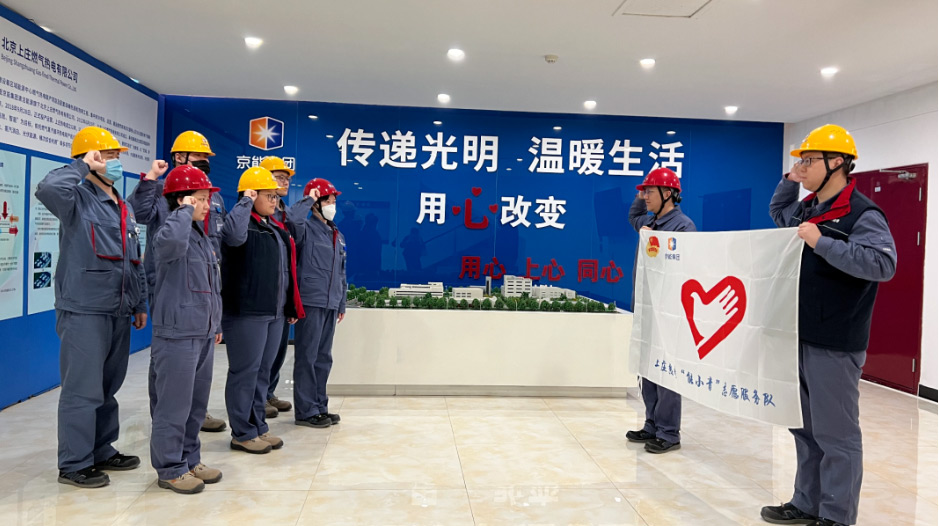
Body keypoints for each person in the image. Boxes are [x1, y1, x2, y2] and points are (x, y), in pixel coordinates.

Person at [761, 125, 896, 526]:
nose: (802, 167)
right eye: (800, 161)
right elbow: (779, 214)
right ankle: (807, 504)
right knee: (804, 429)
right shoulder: (807, 209)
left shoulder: (862, 213)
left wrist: (822, 242)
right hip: (799, 334)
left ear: (837, 163)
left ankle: (837, 516)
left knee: (837, 434)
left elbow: (882, 264)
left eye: (809, 161)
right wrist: (790, 181)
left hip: (835, 341)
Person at [35, 126, 148, 488]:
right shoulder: (76, 198)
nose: (114, 162)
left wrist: (140, 301)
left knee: (107, 387)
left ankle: (101, 450)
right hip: (84, 308)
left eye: (115, 156)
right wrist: (82, 166)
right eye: (107, 155)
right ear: (89, 158)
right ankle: (74, 463)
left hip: (119, 309)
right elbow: (47, 188)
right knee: (82, 389)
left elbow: (133, 259)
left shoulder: (122, 205)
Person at [128, 130, 228, 433]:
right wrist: (150, 180)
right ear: (179, 157)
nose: (204, 161)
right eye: (198, 155)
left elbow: (217, 239)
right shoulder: (165, 192)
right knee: (172, 355)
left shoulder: (212, 196)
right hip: (171, 282)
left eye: (206, 157)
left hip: (204, 282)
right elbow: (139, 214)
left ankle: (196, 413)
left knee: (198, 363)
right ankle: (166, 415)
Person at [148, 165, 224, 494]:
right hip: (177, 334)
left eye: (207, 199)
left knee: (195, 405)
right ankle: (170, 468)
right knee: (173, 406)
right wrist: (182, 212)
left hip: (202, 332)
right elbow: (169, 247)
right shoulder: (169, 229)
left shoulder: (200, 236)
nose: (207, 205)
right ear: (182, 200)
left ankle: (190, 460)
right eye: (201, 199)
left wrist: (215, 324)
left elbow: (211, 285)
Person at [221, 167, 304, 453]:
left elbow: (286, 272)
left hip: (274, 312)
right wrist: (245, 201)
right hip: (247, 311)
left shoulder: (274, 228)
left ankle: (258, 426)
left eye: (275, 196)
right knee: (245, 372)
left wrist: (289, 305)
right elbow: (233, 237)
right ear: (251, 194)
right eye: (268, 195)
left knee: (262, 373)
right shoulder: (241, 224)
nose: (274, 200)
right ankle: (242, 432)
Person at [624, 167, 696, 454]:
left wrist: (655, 242)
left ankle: (669, 432)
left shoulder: (682, 227)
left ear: (668, 194)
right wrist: (640, 195)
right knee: (648, 370)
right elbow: (633, 216)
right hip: (646, 309)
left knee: (666, 372)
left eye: (650, 192)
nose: (645, 197)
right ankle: (651, 424)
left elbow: (684, 266)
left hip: (668, 312)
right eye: (643, 192)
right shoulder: (649, 221)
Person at [288, 178, 347, 428]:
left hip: (331, 302)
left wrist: (341, 302)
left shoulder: (336, 234)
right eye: (327, 200)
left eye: (334, 201)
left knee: (323, 358)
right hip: (311, 301)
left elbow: (341, 272)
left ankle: (320, 406)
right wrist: (308, 199)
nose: (332, 205)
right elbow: (292, 220)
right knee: (307, 357)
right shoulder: (305, 228)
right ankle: (306, 410)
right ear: (315, 204)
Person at [259, 156, 296, 418]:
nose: (284, 182)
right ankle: (257, 398)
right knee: (259, 353)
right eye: (279, 177)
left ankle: (268, 392)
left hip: (282, 291)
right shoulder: (253, 212)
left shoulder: (286, 213)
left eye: (286, 179)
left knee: (278, 349)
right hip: (263, 293)